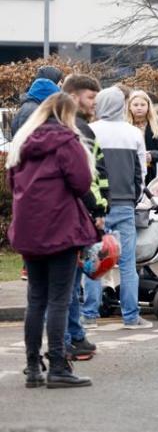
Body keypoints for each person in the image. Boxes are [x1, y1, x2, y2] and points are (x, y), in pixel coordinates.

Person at [8, 92, 98, 388]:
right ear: (66, 115)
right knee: (59, 299)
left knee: (36, 298)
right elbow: (82, 183)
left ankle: (33, 366)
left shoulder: (22, 143)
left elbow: (13, 184)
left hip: (29, 229)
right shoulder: (67, 142)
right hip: (61, 228)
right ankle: (59, 364)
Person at [84, 86, 152, 329]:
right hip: (124, 204)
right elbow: (140, 173)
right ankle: (131, 316)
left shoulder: (90, 131)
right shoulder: (133, 133)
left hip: (97, 206)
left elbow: (86, 171)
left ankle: (90, 315)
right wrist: (134, 198)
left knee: (95, 262)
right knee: (127, 263)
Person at [61, 74, 110, 359]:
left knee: (71, 280)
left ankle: (75, 334)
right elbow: (86, 178)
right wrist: (98, 210)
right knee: (68, 282)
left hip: (79, 213)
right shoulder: (77, 130)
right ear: (75, 96)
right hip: (79, 215)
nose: (95, 103)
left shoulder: (80, 128)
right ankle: (68, 339)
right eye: (90, 98)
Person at [126, 90, 158, 184]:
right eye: (135, 105)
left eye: (142, 105)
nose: (139, 108)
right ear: (129, 107)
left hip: (153, 174)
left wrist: (152, 155)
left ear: (148, 106)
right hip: (130, 173)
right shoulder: (124, 126)